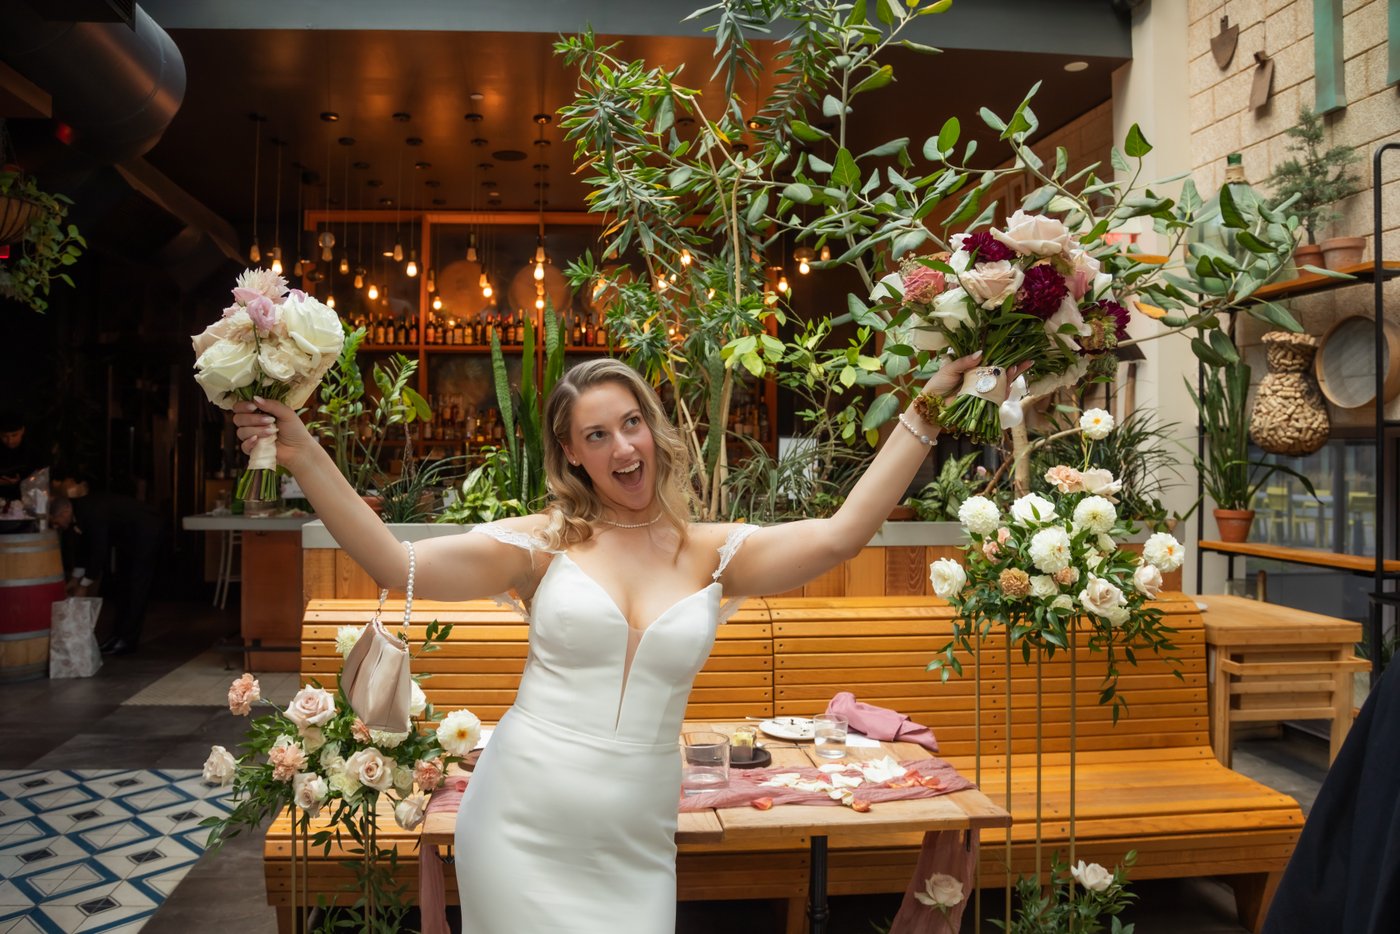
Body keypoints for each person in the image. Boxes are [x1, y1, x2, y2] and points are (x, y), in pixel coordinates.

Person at [233, 352, 1017, 933]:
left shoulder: (717, 552)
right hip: (520, 823)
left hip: (635, 839)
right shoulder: (544, 545)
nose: (621, 448)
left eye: (630, 423)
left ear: (652, 427)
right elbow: (391, 560)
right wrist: (302, 452)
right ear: (572, 453)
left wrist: (926, 410)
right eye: (596, 435)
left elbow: (844, 534)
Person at [49, 489, 166, 656]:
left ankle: (127, 640)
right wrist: (75, 579)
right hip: (128, 537)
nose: (56, 526)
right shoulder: (79, 513)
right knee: (123, 584)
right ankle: (117, 636)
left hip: (146, 530)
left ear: (66, 511)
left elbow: (98, 550)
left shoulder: (92, 511)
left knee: (135, 586)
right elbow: (85, 548)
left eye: (56, 521)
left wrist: (84, 585)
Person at [0, 411, 44, 503]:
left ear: (22, 431)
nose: (10, 441)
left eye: (14, 435)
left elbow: (40, 481)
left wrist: (19, 483)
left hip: (25, 498)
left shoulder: (33, 451)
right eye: (4, 436)